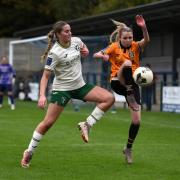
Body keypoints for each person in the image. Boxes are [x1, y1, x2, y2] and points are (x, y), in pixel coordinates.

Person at [21, 21, 115, 168]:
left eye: (70, 30)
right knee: (48, 123)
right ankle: (29, 151)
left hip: (80, 86)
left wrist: (86, 51)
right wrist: (42, 95)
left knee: (109, 98)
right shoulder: (54, 53)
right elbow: (45, 76)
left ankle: (87, 124)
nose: (69, 33)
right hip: (62, 90)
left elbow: (84, 49)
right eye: (66, 31)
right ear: (58, 34)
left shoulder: (76, 41)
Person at [93, 15, 150, 164]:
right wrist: (103, 56)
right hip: (117, 82)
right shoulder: (114, 46)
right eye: (125, 38)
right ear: (120, 37)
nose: (128, 40)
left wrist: (143, 27)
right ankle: (129, 91)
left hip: (132, 85)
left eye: (130, 37)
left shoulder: (135, 46)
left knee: (137, 121)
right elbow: (96, 54)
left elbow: (147, 41)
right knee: (126, 64)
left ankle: (128, 148)